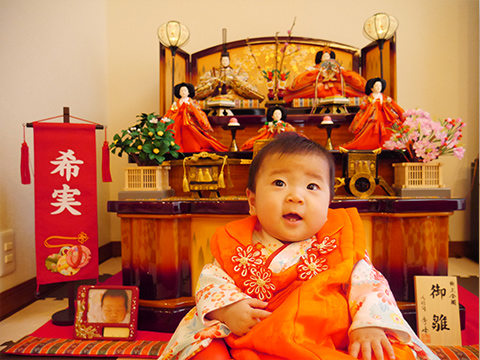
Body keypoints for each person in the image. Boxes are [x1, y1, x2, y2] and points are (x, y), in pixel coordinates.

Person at [158, 132, 438, 360]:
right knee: (205, 350)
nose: (295, 196)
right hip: (252, 338)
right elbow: (211, 282)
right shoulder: (235, 242)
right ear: (252, 200)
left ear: (329, 202)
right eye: (279, 183)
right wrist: (228, 309)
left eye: (312, 187)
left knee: (385, 351)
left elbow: (371, 286)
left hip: (325, 339)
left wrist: (369, 325)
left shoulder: (342, 241)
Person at [161, 82, 228, 153]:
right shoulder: (176, 103)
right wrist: (163, 120)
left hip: (188, 122)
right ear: (179, 93)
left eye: (185, 91)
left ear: (188, 92)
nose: (183, 92)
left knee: (189, 136)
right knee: (176, 135)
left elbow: (197, 111)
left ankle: (191, 148)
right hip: (177, 122)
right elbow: (170, 112)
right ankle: (177, 149)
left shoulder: (192, 102)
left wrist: (191, 108)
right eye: (181, 91)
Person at [283, 48, 367, 103]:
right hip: (319, 89)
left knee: (357, 91)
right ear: (321, 59)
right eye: (325, 57)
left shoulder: (339, 68)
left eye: (329, 56)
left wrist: (340, 73)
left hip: (337, 88)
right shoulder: (314, 69)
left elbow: (352, 78)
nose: (327, 58)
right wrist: (317, 73)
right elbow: (300, 81)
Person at [341, 77, 405, 150]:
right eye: (376, 86)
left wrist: (389, 102)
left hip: (384, 117)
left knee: (388, 131)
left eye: (380, 86)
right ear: (372, 88)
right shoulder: (368, 98)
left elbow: (392, 105)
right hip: (372, 117)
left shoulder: (384, 97)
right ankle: (370, 144)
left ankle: (386, 145)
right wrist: (370, 103)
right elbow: (363, 106)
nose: (378, 88)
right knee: (369, 132)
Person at [194, 51, 265, 103]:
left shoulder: (237, 71)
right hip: (217, 94)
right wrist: (215, 80)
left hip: (232, 94)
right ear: (220, 61)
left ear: (229, 61)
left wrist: (232, 80)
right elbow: (203, 80)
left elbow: (244, 77)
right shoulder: (213, 72)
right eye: (223, 60)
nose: (225, 62)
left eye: (226, 60)